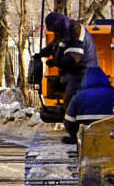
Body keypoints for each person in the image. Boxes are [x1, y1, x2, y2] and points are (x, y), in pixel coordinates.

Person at [33, 12, 93, 141]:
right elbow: (55, 44)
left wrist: (56, 61)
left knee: (71, 101)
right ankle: (74, 130)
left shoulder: (76, 32)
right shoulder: (64, 30)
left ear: (60, 25)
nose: (56, 33)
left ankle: (75, 135)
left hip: (83, 71)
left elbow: (72, 59)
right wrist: (41, 54)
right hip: (74, 71)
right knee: (61, 89)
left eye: (56, 30)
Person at [65, 64, 114, 140]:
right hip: (111, 136)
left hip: (86, 136)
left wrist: (75, 137)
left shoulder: (78, 97)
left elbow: (69, 122)